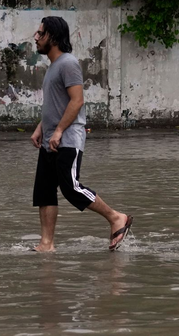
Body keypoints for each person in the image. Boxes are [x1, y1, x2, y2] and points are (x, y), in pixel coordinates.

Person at [30, 16, 133, 252]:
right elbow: (55, 104)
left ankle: (116, 217)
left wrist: (58, 131)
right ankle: (46, 244)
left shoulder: (68, 63)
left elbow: (76, 101)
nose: (36, 38)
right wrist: (40, 128)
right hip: (50, 139)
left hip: (67, 139)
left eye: (41, 33)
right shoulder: (53, 67)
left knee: (71, 187)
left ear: (53, 37)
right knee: (44, 192)